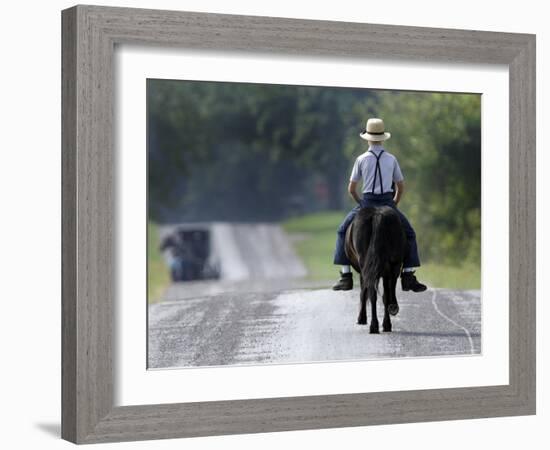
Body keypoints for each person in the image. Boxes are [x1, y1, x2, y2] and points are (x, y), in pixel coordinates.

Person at [332, 118, 427, 293]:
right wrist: (394, 204)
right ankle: (408, 275)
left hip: (366, 202)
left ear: (368, 139)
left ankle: (345, 277)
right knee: (410, 234)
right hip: (387, 202)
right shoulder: (391, 159)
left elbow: (351, 189)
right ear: (383, 138)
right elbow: (400, 186)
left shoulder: (361, 159)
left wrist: (361, 203)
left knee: (342, 231)